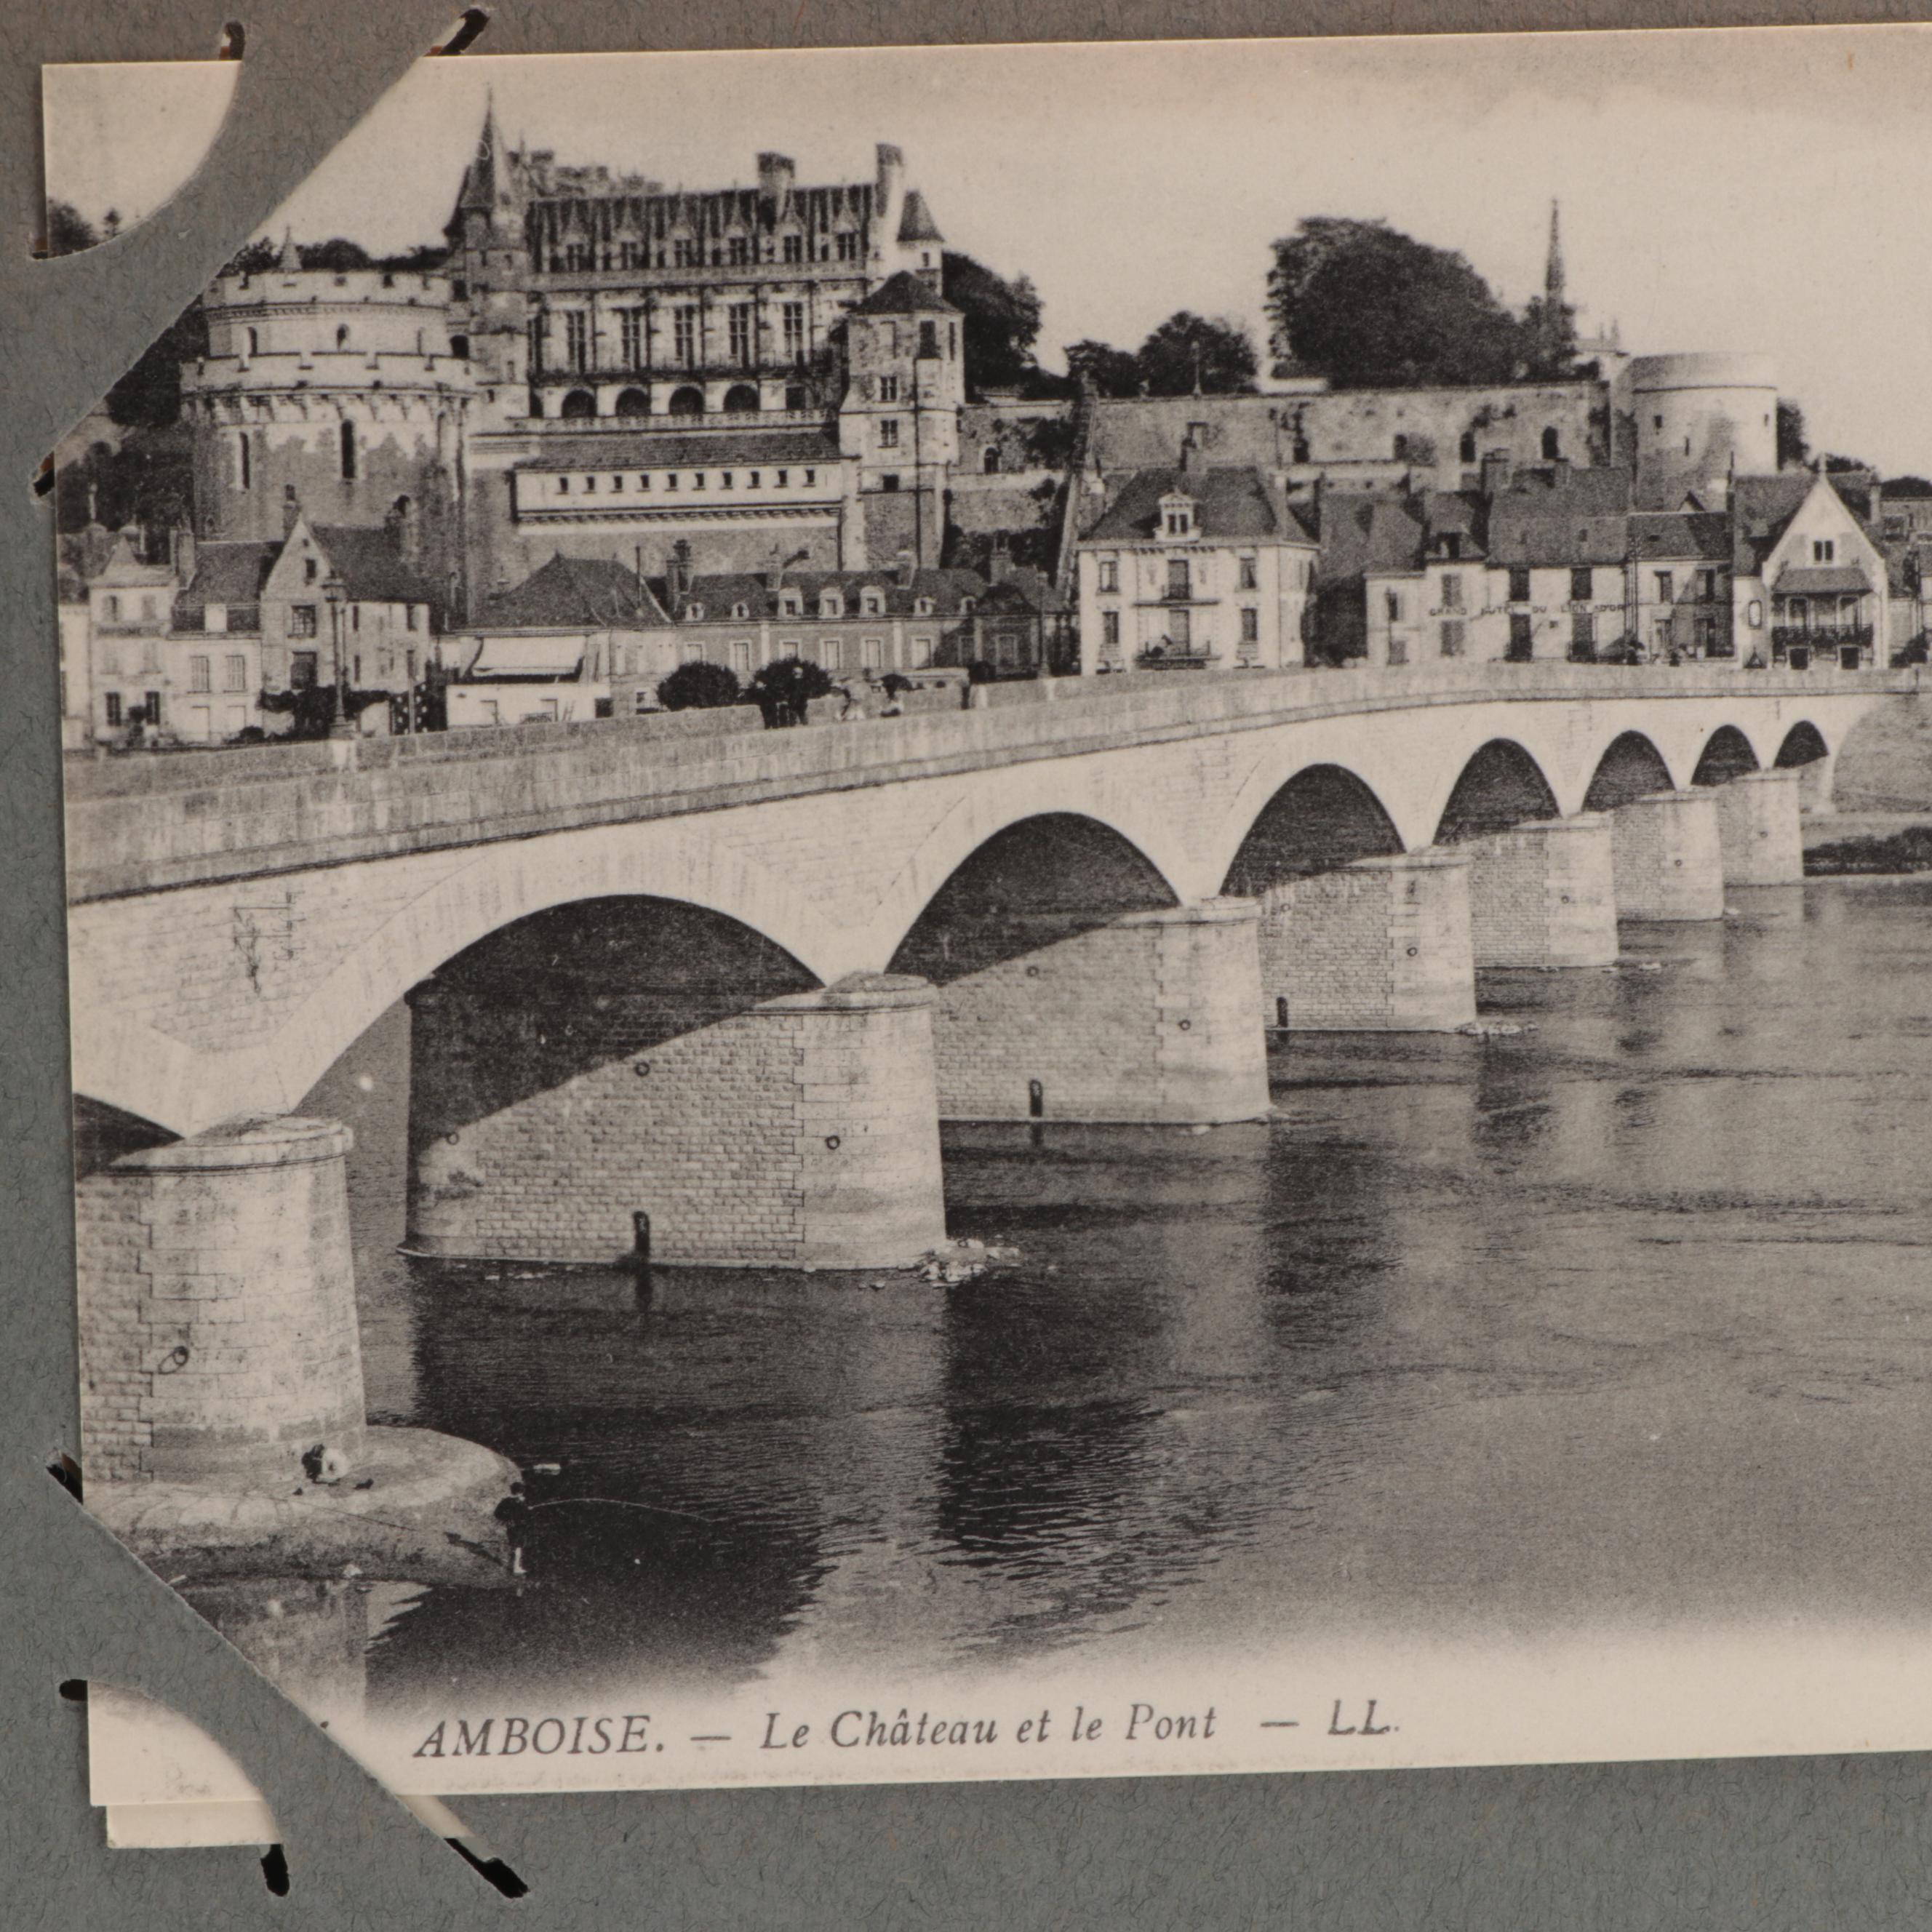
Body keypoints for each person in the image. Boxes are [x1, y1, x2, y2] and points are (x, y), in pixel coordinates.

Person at [495, 1482, 531, 1576]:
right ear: (521, 1492)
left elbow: (497, 1513)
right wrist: (527, 1508)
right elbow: (525, 1515)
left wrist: (506, 1520)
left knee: (514, 1546)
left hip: (511, 1527)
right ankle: (516, 1568)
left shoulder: (506, 1501)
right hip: (519, 1527)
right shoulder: (521, 1503)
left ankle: (513, 1566)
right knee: (518, 1547)